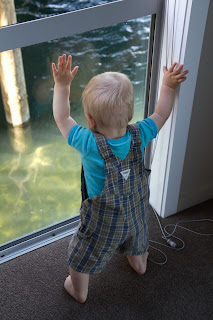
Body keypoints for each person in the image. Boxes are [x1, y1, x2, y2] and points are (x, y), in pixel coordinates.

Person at [52, 54, 188, 303]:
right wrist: (168, 85)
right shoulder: (140, 133)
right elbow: (162, 113)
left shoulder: (88, 142)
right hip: (135, 214)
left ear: (90, 120)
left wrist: (62, 85)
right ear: (129, 114)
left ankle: (78, 291)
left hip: (102, 223)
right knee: (137, 241)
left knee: (82, 252)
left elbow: (62, 118)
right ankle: (138, 264)